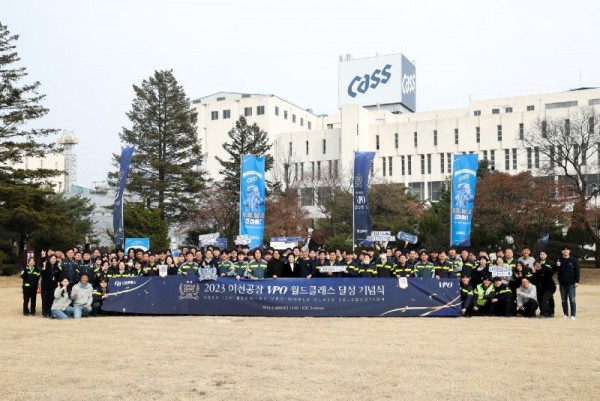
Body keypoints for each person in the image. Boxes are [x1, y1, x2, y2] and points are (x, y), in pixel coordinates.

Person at [555, 246, 580, 320]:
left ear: (569, 251)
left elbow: (577, 271)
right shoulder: (559, 259)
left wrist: (577, 281)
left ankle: (573, 315)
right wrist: (557, 266)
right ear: (562, 251)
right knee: (563, 300)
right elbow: (556, 270)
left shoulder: (574, 260)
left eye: (567, 250)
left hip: (571, 283)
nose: (565, 251)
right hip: (562, 283)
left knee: (572, 299)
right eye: (564, 250)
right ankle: (565, 314)